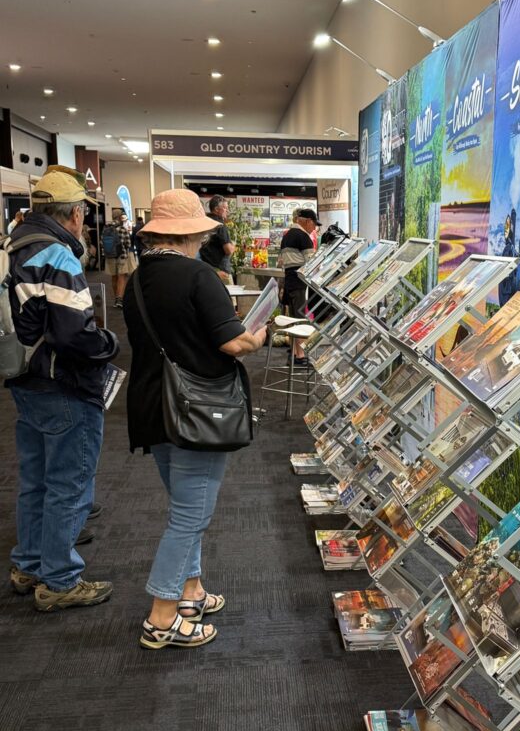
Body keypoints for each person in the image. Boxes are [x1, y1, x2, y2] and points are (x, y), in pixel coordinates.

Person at [122, 189, 267, 650]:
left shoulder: (137, 279)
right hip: (200, 409)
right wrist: (260, 335)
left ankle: (191, 592)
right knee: (190, 515)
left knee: (184, 504)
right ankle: (162, 616)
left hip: (153, 404)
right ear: (194, 232)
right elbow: (233, 343)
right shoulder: (198, 276)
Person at [5, 165, 119, 611]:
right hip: (63, 384)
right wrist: (109, 343)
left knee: (35, 480)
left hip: (23, 377)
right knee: (69, 484)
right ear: (73, 214)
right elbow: (75, 335)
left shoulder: (14, 245)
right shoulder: (57, 256)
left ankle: (28, 564)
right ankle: (59, 580)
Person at [278, 207, 321, 364]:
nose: (315, 228)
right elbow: (312, 264)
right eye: (314, 224)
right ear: (308, 221)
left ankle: (295, 352)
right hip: (299, 283)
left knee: (294, 318)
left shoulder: (287, 235)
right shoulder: (303, 237)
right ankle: (301, 355)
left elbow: (282, 261)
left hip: (289, 281)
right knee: (301, 319)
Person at [199, 195, 235, 283]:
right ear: (216, 209)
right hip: (221, 271)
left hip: (206, 269)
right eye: (225, 208)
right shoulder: (220, 225)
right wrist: (233, 245)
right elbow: (228, 250)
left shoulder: (204, 223)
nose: (227, 210)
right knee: (228, 296)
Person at [104, 210, 136, 308]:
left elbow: (102, 243)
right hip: (121, 256)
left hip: (110, 256)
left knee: (114, 277)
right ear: (119, 217)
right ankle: (119, 299)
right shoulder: (122, 228)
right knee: (121, 277)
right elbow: (128, 244)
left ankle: (115, 299)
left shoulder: (106, 228)